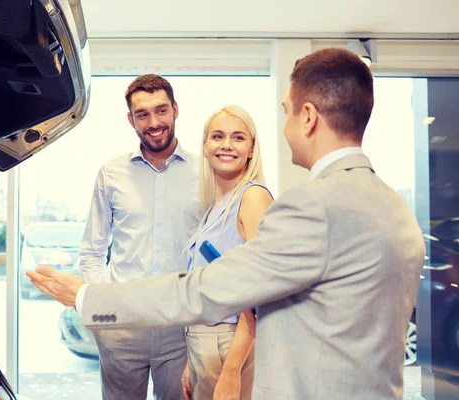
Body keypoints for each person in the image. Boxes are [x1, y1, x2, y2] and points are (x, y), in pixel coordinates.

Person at [27, 48, 426, 400]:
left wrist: (90, 299)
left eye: (286, 113)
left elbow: (210, 290)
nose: (284, 129)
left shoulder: (310, 205)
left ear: (308, 118)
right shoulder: (392, 206)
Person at [76, 74, 200, 400]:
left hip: (181, 328)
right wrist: (101, 315)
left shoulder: (205, 172)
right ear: (131, 119)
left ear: (175, 110)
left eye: (161, 111)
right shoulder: (112, 172)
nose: (154, 122)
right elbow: (93, 249)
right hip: (121, 326)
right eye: (142, 114)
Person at [181, 105, 273, 400]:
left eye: (238, 138)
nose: (226, 145)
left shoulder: (253, 197)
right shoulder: (213, 207)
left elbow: (260, 293)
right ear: (205, 147)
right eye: (217, 136)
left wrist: (232, 369)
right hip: (205, 342)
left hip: (231, 345)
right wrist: (191, 359)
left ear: (251, 149)